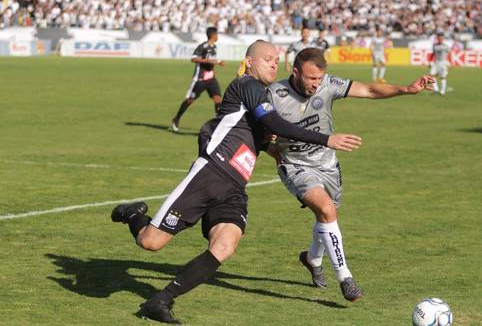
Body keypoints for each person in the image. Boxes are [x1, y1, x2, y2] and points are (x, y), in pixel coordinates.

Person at [111, 41, 362, 324]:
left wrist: (271, 148)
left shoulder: (261, 94)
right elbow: (275, 124)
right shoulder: (247, 85)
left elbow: (257, 133)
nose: (273, 64)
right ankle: (133, 214)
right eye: (267, 59)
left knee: (225, 245)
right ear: (250, 61)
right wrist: (326, 139)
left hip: (235, 186)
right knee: (150, 242)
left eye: (276, 59)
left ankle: (160, 301)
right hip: (211, 174)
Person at [266, 48, 435, 302]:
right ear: (296, 72)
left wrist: (406, 89)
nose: (316, 84)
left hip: (327, 163)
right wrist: (269, 148)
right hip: (295, 164)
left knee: (328, 215)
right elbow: (255, 128)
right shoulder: (274, 94)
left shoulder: (328, 84)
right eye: (311, 78)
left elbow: (368, 90)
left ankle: (312, 259)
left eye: (319, 79)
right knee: (326, 210)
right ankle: (345, 278)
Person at [171, 27, 225, 132]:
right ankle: (176, 118)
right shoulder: (202, 46)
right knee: (190, 100)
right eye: (217, 34)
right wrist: (208, 61)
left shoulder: (214, 47)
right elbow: (193, 58)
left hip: (211, 79)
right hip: (200, 79)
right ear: (213, 35)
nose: (217, 36)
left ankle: (218, 126)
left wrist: (218, 62)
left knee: (218, 99)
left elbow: (211, 60)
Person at [429, 31, 450, 95]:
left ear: (443, 38)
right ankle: (436, 89)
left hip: (443, 63)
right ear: (437, 38)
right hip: (436, 62)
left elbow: (449, 53)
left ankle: (442, 92)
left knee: (443, 77)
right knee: (431, 76)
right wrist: (430, 61)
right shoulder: (435, 45)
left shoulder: (445, 46)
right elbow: (433, 53)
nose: (440, 38)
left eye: (441, 37)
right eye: (438, 37)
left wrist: (449, 62)